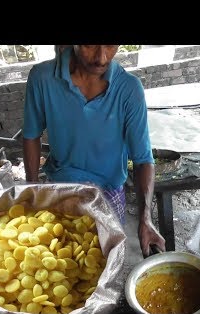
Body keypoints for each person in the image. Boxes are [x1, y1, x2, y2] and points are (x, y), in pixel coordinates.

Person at [22, 45, 165, 257]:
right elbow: (31, 136)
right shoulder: (42, 78)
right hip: (61, 190)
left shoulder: (128, 88)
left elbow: (143, 159)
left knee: (104, 263)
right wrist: (32, 190)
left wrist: (146, 218)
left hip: (108, 194)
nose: (101, 58)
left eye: (110, 45)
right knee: (58, 262)